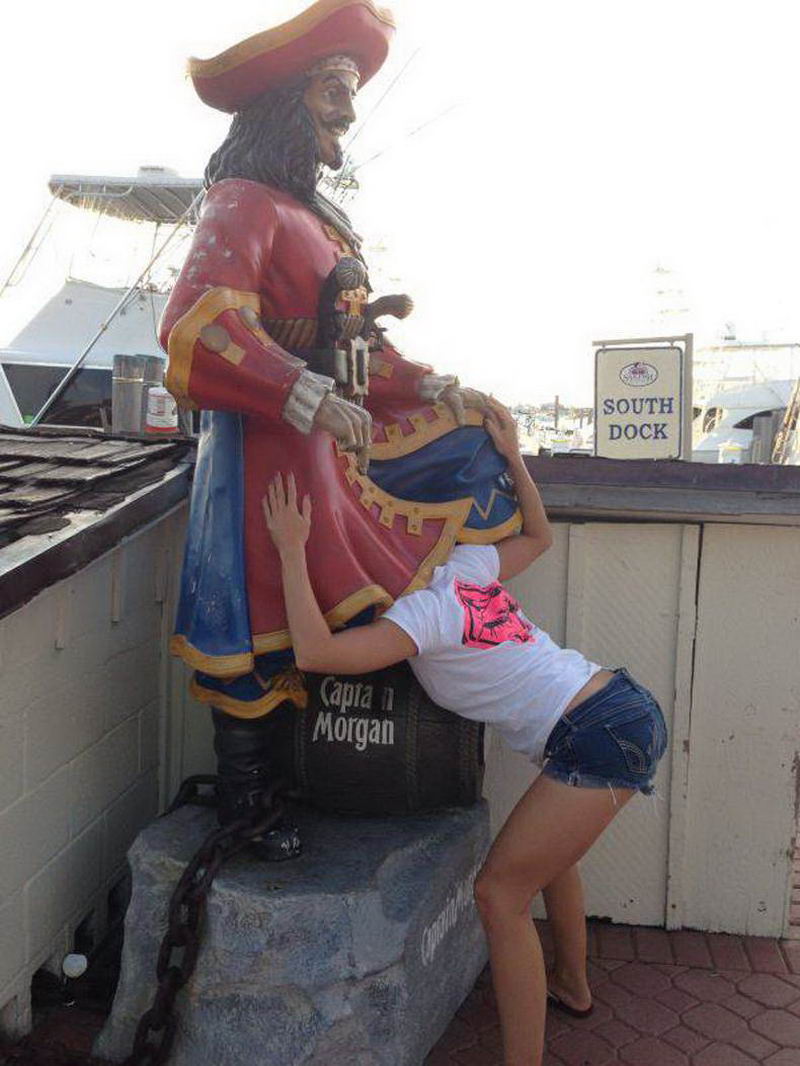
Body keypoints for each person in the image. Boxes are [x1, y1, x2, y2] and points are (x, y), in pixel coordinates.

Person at [159, 0, 517, 850]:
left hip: (327, 448)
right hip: (262, 451)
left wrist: (433, 384)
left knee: (468, 453)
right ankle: (248, 804)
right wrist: (298, 390)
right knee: (254, 622)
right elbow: (195, 322)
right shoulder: (241, 201)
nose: (347, 111)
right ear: (285, 98)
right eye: (331, 88)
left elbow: (354, 347)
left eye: (348, 91)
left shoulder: (319, 221)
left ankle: (286, 784)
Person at [261, 397, 668, 1066]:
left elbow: (315, 654)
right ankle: (572, 984)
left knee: (498, 894)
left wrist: (290, 550)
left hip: (593, 729)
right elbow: (539, 537)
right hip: (615, 704)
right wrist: (514, 458)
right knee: (551, 861)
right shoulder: (467, 569)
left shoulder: (426, 612)